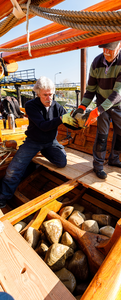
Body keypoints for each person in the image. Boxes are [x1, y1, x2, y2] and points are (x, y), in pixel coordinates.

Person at [0, 76, 78, 208]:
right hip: (33, 141)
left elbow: (70, 124)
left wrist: (81, 123)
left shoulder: (57, 106)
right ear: (38, 93)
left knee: (62, 162)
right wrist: (61, 119)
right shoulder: (30, 105)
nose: (49, 98)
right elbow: (43, 125)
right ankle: (3, 197)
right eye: (45, 95)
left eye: (51, 94)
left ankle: (38, 158)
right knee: (13, 170)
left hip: (50, 142)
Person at [73, 40, 121, 179]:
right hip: (101, 104)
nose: (106, 52)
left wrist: (97, 111)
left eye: (110, 48)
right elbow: (91, 90)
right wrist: (82, 107)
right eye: (104, 48)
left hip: (117, 105)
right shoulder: (96, 62)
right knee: (102, 135)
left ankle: (114, 159)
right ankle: (98, 166)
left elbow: (117, 93)